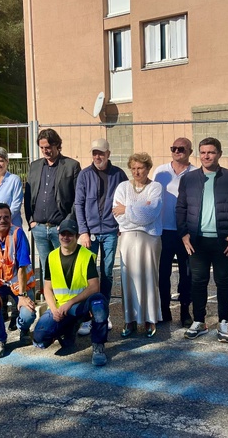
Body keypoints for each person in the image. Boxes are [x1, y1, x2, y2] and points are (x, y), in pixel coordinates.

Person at [177, 137, 228, 343]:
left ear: (219, 154)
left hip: (223, 242)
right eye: (203, 152)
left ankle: (223, 322)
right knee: (198, 282)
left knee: (223, 282)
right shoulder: (188, 179)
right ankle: (199, 321)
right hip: (197, 241)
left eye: (211, 152)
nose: (206, 156)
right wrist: (184, 234)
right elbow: (180, 208)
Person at [32, 219, 109, 366]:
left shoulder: (86, 256)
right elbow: (47, 288)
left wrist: (70, 303)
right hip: (60, 307)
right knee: (40, 339)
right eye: (63, 234)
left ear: (77, 235)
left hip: (80, 306)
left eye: (70, 234)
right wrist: (54, 310)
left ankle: (98, 346)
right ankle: (68, 329)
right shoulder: (51, 257)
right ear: (58, 234)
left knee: (99, 302)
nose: (65, 237)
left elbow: (94, 287)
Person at [74, 138, 127, 335]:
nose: (98, 156)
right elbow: (78, 204)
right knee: (88, 274)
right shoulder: (84, 175)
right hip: (91, 234)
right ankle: (88, 315)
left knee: (107, 273)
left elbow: (125, 199)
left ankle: (103, 313)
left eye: (101, 153)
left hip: (111, 232)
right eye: (94, 153)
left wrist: (122, 224)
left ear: (108, 154)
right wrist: (83, 231)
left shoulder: (119, 174)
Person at [112, 153, 163, 338]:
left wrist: (127, 209)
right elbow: (117, 216)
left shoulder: (155, 187)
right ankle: (129, 319)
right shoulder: (122, 187)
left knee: (150, 278)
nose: (136, 171)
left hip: (150, 239)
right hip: (127, 238)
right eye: (133, 168)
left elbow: (152, 214)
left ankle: (150, 320)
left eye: (140, 168)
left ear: (148, 168)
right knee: (128, 279)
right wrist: (138, 213)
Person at [0, 203, 36, 358]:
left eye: (6, 217)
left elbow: (22, 267)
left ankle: (24, 331)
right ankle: (0, 340)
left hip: (18, 283)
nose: (2, 220)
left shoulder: (18, 233)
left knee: (28, 312)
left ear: (11, 219)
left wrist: (22, 296)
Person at [24, 128, 81, 275]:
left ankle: (66, 297)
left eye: (48, 147)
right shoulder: (35, 166)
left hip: (61, 229)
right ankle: (49, 297)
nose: (45, 151)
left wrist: (67, 222)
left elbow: (78, 198)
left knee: (65, 266)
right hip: (39, 228)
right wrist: (31, 221)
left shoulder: (71, 166)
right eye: (42, 148)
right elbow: (28, 194)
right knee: (46, 268)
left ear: (57, 145)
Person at [153, 137, 197, 327]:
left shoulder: (196, 173)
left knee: (187, 274)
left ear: (190, 152)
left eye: (182, 149)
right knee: (163, 273)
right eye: (174, 148)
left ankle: (185, 310)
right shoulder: (160, 171)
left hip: (186, 233)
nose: (177, 151)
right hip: (163, 230)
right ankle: (164, 308)